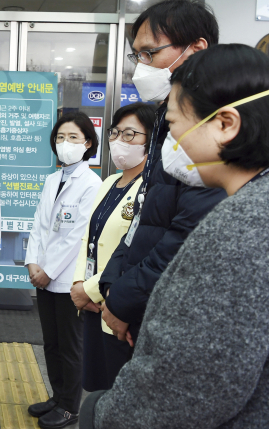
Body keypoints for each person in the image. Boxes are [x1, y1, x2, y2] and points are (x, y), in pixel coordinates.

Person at [80, 43, 269, 429]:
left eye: (173, 128)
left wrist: (101, 414)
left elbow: (193, 385)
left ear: (226, 124)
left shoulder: (244, 226)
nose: (168, 147)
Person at [97, 0, 226, 375]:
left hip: (166, 311)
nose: (141, 66)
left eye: (149, 53)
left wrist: (123, 299)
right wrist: (112, 282)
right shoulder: (167, 123)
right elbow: (146, 217)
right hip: (139, 303)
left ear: (196, 49)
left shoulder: (210, 132)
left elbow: (187, 234)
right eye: (136, 55)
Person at [24, 113, 102, 429]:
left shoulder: (91, 183)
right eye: (60, 137)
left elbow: (76, 236)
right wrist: (33, 263)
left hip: (68, 278)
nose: (65, 144)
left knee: (70, 346)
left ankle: (70, 407)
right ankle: (57, 397)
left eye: (73, 137)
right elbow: (40, 226)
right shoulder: (52, 179)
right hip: (43, 276)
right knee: (51, 342)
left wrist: (49, 270)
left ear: (87, 144)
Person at [71, 103, 156, 392]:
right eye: (115, 132)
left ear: (151, 140)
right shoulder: (108, 182)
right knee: (95, 386)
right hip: (91, 305)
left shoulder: (151, 188)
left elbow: (133, 249)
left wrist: (90, 289)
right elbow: (89, 238)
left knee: (116, 389)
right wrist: (78, 283)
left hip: (115, 304)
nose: (119, 140)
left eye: (130, 134)